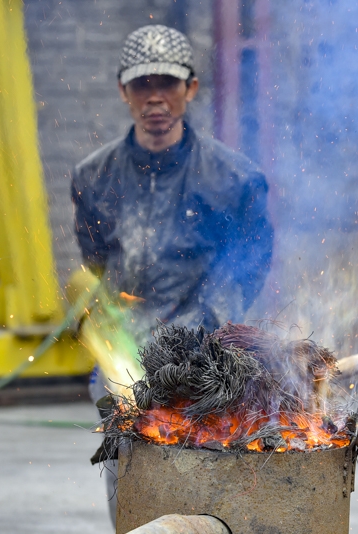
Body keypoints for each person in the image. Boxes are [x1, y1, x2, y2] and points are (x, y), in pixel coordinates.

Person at [70, 24, 273, 524]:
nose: (155, 98)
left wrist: (194, 345)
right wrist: (103, 333)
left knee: (204, 495)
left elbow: (246, 269)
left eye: (168, 84)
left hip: (204, 363)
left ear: (191, 89)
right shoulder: (93, 178)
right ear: (124, 90)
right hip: (125, 366)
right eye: (142, 85)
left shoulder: (235, 180)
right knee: (134, 492)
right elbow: (95, 265)